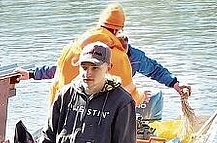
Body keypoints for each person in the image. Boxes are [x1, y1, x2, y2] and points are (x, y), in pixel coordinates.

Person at [16, 32, 192, 120]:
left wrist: (176, 84)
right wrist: (31, 74)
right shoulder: (94, 56)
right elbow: (60, 69)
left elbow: (155, 70)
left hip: (119, 102)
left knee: (154, 97)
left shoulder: (135, 58)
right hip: (93, 103)